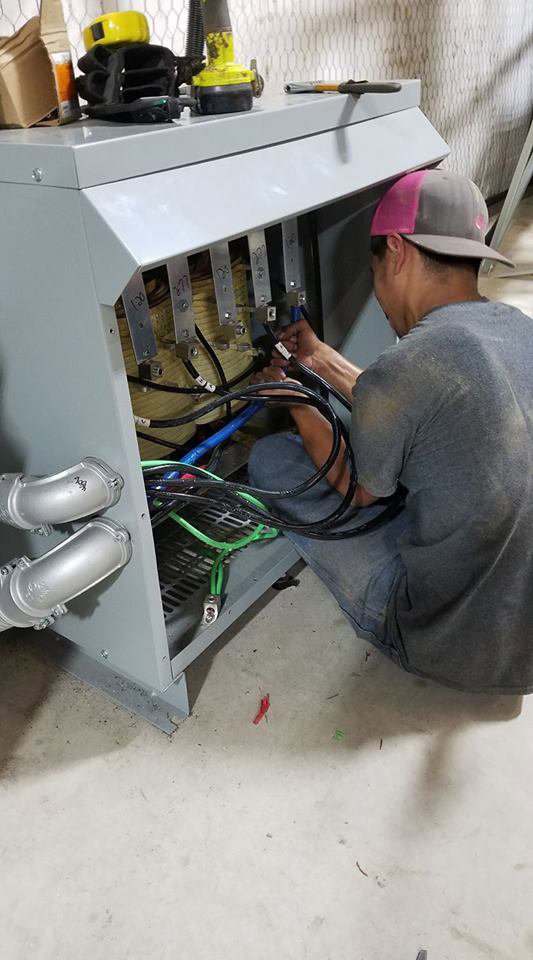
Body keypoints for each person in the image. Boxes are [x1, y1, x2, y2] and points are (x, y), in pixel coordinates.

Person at [248, 168, 533, 694]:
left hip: (451, 643)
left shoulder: (411, 364)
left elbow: (356, 491)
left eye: (375, 267)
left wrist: (298, 403)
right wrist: (318, 358)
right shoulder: (517, 327)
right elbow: (414, 403)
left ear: (396, 253)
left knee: (272, 459)